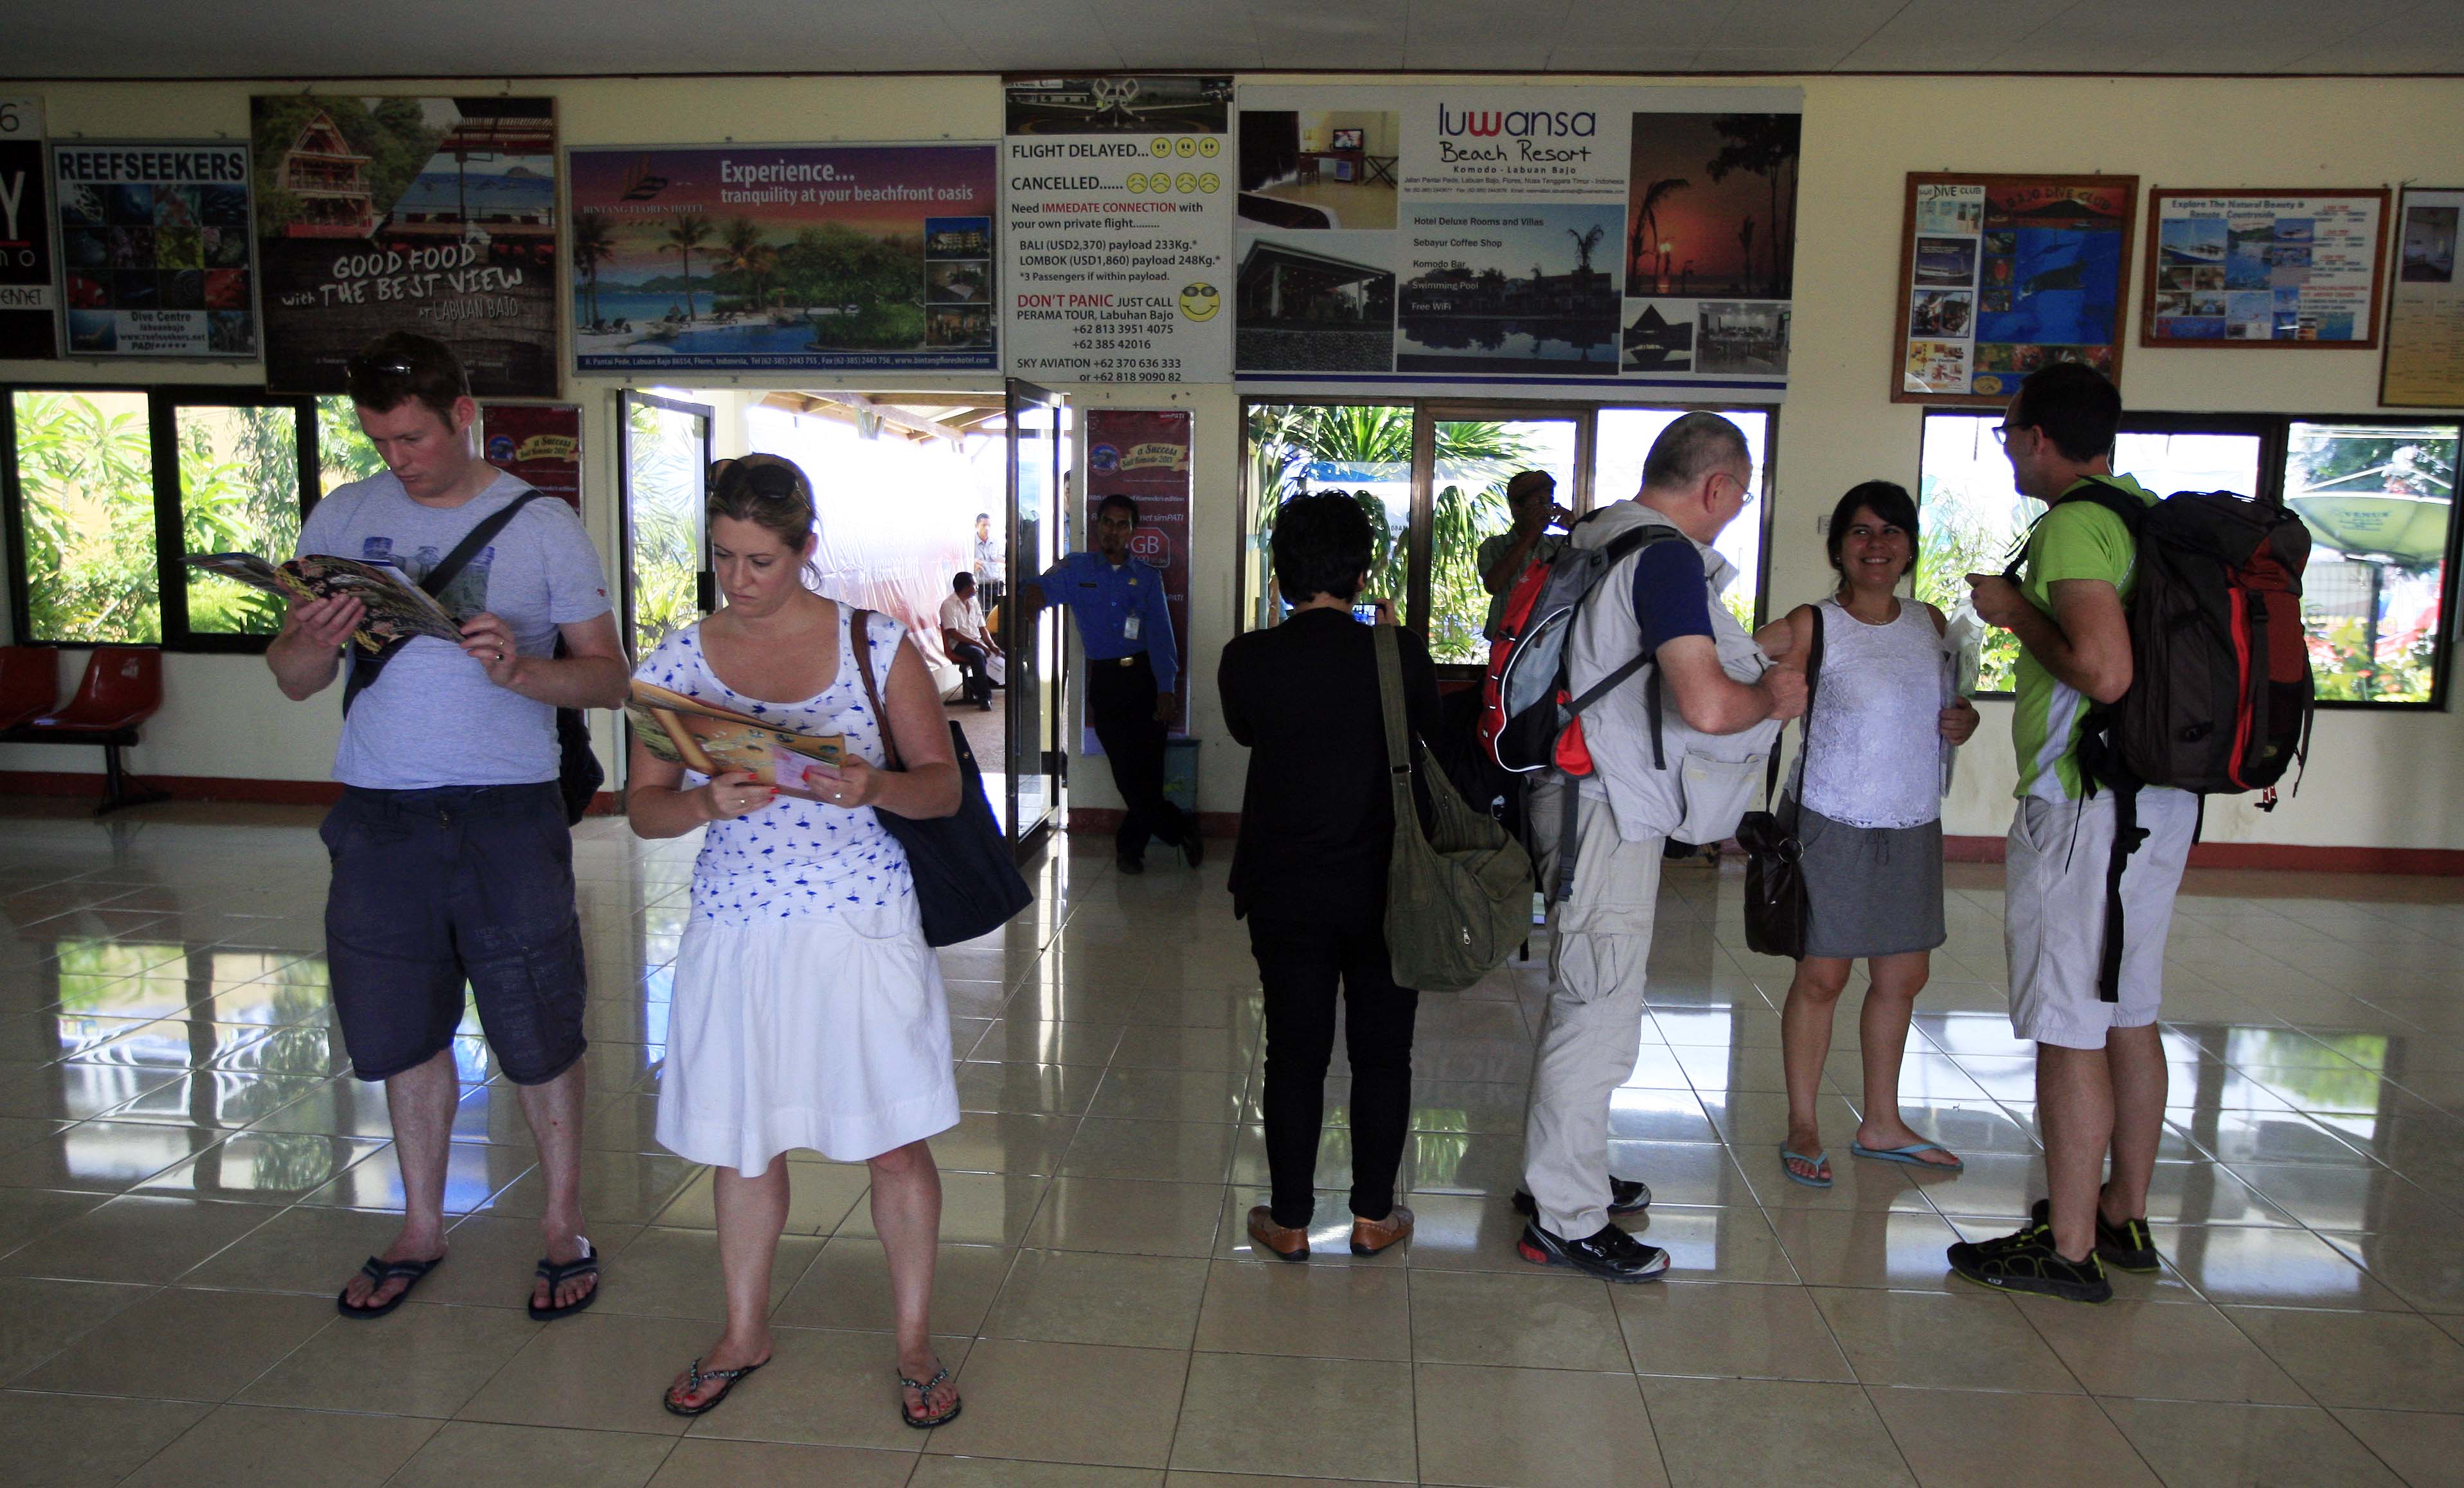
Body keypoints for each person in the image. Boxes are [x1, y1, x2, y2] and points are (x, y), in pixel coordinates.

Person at [265, 332, 628, 1322]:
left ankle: (562, 1224)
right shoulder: (341, 515)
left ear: (463, 413)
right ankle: (422, 1224)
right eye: (381, 440)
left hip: (507, 811)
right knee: (399, 1026)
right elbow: (294, 681)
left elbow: (610, 675)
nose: (399, 458)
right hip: (379, 816)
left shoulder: (542, 525)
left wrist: (521, 669)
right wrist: (307, 639)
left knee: (539, 1025)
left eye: (414, 437)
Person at [626, 454, 967, 1424]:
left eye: (761, 561)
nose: (739, 580)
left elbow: (941, 787)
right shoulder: (676, 661)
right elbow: (640, 812)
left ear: (805, 549)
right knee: (743, 1143)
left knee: (894, 1146)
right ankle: (744, 1329)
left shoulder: (876, 645)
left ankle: (912, 1341)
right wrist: (701, 802)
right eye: (725, 557)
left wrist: (873, 784)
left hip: (859, 922)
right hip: (737, 927)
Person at [1517, 413, 1807, 1282]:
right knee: (1597, 1007)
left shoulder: (1598, 534)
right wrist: (1774, 698)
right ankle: (1564, 1216)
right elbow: (1709, 703)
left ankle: (1564, 1175)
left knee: (1588, 990)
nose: (1733, 514)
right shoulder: (1665, 556)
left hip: (1576, 797)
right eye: (1740, 498)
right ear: (1715, 486)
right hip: (1599, 806)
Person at [1945, 364, 2188, 1306]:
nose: (2007, 448)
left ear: (2039, 435)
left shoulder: (2073, 525)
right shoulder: (2141, 513)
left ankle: (2070, 1246)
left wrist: (2016, 616)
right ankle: (2121, 1212)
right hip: (2154, 800)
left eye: (2008, 433)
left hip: (2085, 804)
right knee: (2127, 1009)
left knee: (2065, 1024)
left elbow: (2102, 669)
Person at [1219, 493, 1442, 1262]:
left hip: (1285, 887)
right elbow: (1425, 732)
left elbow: (1249, 730)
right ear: (1360, 569)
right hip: (1388, 887)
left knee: (1295, 1052)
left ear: (1281, 571)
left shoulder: (1247, 658)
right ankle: (1375, 1216)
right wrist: (1384, 650)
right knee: (1384, 1053)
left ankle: (1287, 1221)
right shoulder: (1399, 652)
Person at [1753, 481, 1979, 1189]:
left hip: (1911, 820)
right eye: (1859, 531)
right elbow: (1740, 667)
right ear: (1838, 547)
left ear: (1910, 545)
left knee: (1903, 976)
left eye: (1890, 532)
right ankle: (1803, 1123)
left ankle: (1881, 1122)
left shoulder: (1930, 622)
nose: (1875, 545)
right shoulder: (1813, 623)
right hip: (1832, 818)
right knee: (1822, 977)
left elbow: (1949, 707)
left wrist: (1963, 722)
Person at [1018, 493, 1199, 874]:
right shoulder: (1077, 570)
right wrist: (1030, 594)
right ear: (1098, 524)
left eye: (1122, 524)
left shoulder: (1148, 578)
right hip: (1107, 680)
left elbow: (1161, 635)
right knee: (1124, 771)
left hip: (1145, 678)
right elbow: (1038, 589)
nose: (1113, 531)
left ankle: (1129, 850)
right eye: (1107, 523)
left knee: (1148, 770)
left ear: (1132, 531)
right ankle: (1180, 829)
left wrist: (1166, 687)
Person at [1477, 470, 1572, 641]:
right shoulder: (1494, 546)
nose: (1546, 509)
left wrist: (1575, 527)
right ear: (1516, 508)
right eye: (1539, 502)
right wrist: (1530, 535)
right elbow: (1493, 584)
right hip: (1506, 642)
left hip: (1548, 641)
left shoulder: (1560, 545)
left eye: (1549, 502)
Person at [940, 570, 1000, 711]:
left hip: (976, 641)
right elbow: (954, 633)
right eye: (974, 585)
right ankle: (985, 698)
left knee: (1001, 655)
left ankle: (974, 684)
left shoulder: (974, 603)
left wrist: (991, 645)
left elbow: (982, 628)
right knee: (978, 654)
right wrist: (980, 645)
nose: (977, 588)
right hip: (959, 644)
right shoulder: (948, 605)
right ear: (966, 587)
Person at [972, 511, 1005, 607]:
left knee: (998, 613)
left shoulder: (996, 542)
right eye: (984, 525)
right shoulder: (971, 544)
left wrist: (1002, 561)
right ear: (976, 526)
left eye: (989, 525)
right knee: (985, 613)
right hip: (982, 585)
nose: (987, 528)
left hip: (997, 583)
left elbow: (1003, 558)